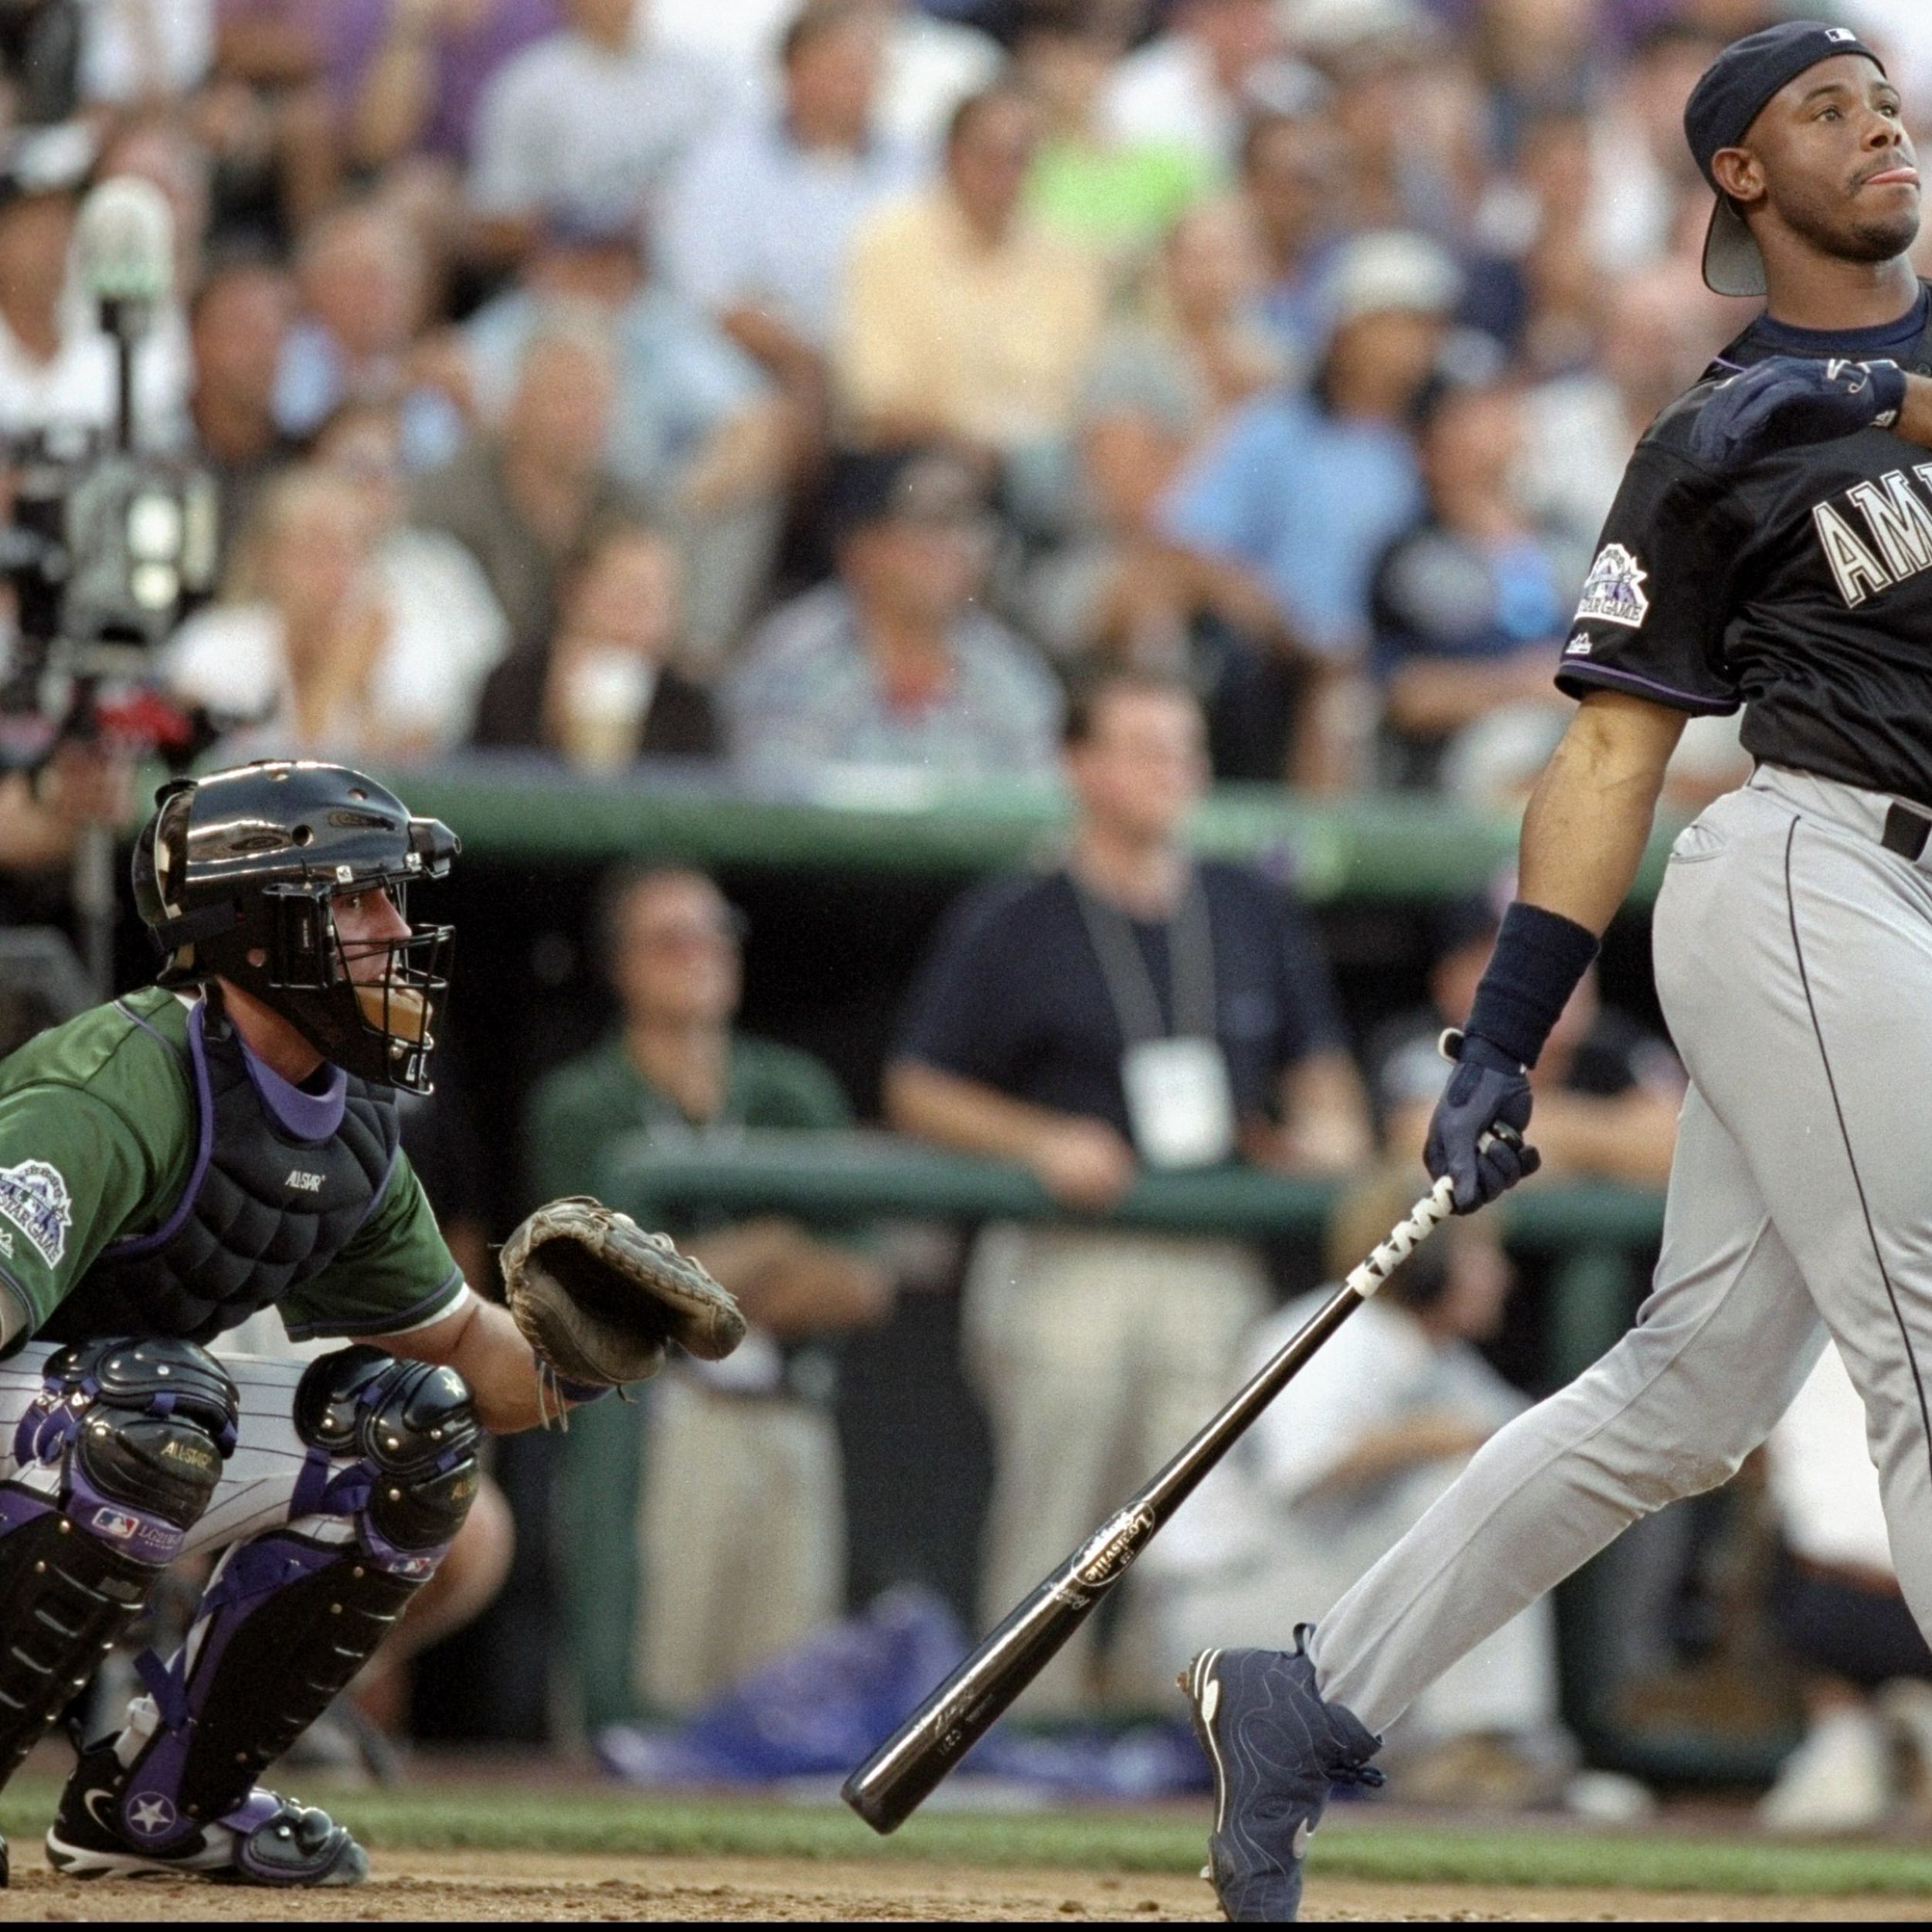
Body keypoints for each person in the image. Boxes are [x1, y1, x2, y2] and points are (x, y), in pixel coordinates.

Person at [1177, 24, 1932, 1920]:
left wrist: (1879, 413)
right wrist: (1503, 1032)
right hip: (1807, 874)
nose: (1881, 124)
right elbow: (1605, 759)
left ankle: (1308, 1690)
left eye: (1884, 96)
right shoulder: (1700, 441)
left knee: (1684, 1398)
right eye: (1824, 109)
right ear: (1741, 178)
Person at [0, 759, 693, 1884]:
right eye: (356, 897)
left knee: (407, 1432)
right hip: (60, 1423)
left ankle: (162, 1803)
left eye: (393, 896)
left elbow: (471, 1355)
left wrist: (586, 1351)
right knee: (144, 1415)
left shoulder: (352, 1122)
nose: (392, 927)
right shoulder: (119, 1081)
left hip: (66, 1433)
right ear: (257, 930)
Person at [886, 667, 1370, 1712]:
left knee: (1199, 1516)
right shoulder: (1016, 917)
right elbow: (917, 1085)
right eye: (1145, 748)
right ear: (1081, 767)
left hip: (1208, 1245)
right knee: (1060, 1505)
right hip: (1071, 1246)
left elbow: (1319, 1064)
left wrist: (1326, 1132)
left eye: (1185, 749)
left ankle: (1177, 1736)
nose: (1173, 772)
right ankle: (1019, 1727)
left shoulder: (1245, 902)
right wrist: (1036, 1140)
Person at [527, 866, 891, 1710]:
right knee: (645, 1695)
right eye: (670, 938)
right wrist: (768, 1248)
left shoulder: (791, 1089)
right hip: (653, 1431)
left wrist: (684, 1274)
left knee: (785, 1705)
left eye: (714, 932)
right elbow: (585, 1295)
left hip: (784, 1413)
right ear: (622, 965)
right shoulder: (582, 1102)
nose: (699, 955)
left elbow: (858, 1282)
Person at [1148, 1168, 1565, 1805]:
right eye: (1480, 1253)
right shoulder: (1341, 1336)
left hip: (1316, 1608)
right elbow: (1305, 1471)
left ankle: (1473, 1752)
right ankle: (1471, 1744)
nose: (1501, 1274)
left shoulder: (1441, 1359)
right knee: (1466, 1492)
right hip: (1239, 1612)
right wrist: (1431, 1438)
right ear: (1425, 1261)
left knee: (1493, 1486)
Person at [1157, 228, 1458, 787]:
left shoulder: (1439, 442)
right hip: (1288, 668)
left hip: (1412, 661)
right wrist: (1276, 620)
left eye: (1424, 326)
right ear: (1344, 330)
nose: (1413, 344)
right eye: (1394, 323)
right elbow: (1190, 543)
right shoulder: (1276, 429)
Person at [724, 445, 1063, 784]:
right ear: (858, 544)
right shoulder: (793, 658)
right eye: (929, 519)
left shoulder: (1009, 672)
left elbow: (1036, 813)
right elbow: (778, 809)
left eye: (968, 522)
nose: (953, 545)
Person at [833, 84, 1107, 485]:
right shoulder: (890, 243)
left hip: (1045, 462)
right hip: (916, 455)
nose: (1005, 176)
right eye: (990, 158)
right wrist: (973, 448)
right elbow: (877, 399)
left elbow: (1086, 389)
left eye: (1019, 160)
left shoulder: (1068, 255)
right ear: (952, 156)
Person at [661, 0, 921, 410]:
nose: (856, 84)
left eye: (867, 69)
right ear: (791, 70)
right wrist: (804, 358)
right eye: (840, 69)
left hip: (886, 376)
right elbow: (714, 293)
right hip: (756, 371)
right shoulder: (727, 160)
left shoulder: (913, 168)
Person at [164, 461, 495, 760]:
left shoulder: (406, 642)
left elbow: (406, 780)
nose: (337, 570)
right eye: (316, 547)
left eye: (352, 548)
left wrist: (359, 687)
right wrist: (330, 685)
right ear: (267, 559)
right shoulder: (217, 643)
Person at [1371, 886, 1684, 1192]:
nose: (1549, 973)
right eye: (1516, 957)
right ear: (1449, 980)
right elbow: (1427, 1141)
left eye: (1564, 951)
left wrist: (1529, 1140)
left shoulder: (1615, 1045)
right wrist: (1607, 1142)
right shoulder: (1432, 1046)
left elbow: (1678, 1147)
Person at [1368, 380, 1579, 792]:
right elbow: (1403, 695)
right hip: (1462, 764)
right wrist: (1517, 685)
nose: (1495, 427)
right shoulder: (1413, 561)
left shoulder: (1571, 542)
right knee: (1511, 750)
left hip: (1576, 737)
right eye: (1470, 417)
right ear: (1430, 448)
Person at [1758, 1342, 1932, 1832]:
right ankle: (1898, 1723)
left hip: (1829, 1604)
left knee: (1781, 1546)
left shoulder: (1800, 1345)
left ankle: (1845, 1733)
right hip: (1902, 1607)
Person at [412, 303, 643, 658]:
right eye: (565, 397)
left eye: (595, 399)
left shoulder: (628, 509)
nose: (582, 418)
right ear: (519, 401)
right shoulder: (450, 500)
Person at [464, 0, 727, 264]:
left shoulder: (700, 76)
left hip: (687, 274)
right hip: (575, 274)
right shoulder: (526, 86)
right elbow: (498, 225)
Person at [471, 516, 717, 766]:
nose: (643, 617)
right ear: (572, 593)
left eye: (660, 601)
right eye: (627, 594)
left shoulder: (687, 706)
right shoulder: (513, 685)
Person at [187, 254, 300, 556]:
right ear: (196, 339)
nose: (261, 349)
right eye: (242, 329)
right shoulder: (150, 456)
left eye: (273, 330)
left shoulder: (303, 463)